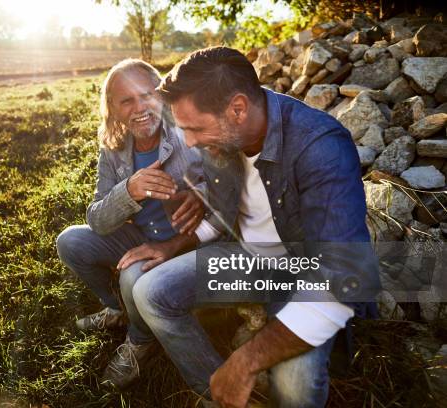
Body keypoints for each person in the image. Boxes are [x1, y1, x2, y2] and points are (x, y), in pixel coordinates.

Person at [126, 46, 380, 407]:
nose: (190, 142)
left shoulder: (320, 147)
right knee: (151, 291)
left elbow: (341, 279)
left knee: (294, 384)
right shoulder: (222, 135)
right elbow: (219, 195)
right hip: (245, 257)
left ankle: (238, 378)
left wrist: (245, 362)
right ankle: (220, 394)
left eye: (195, 128)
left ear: (238, 109)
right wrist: (180, 232)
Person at [56, 59, 205, 389]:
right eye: (127, 100)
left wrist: (201, 194)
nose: (140, 108)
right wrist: (128, 190)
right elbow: (96, 218)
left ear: (161, 95)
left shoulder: (187, 131)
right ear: (113, 107)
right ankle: (117, 310)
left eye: (147, 95)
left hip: (184, 245)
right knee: (70, 241)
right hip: (139, 234)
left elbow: (230, 184)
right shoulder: (113, 148)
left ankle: (139, 342)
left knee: (132, 275)